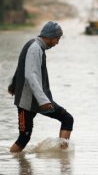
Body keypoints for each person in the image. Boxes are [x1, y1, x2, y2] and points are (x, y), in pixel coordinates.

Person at [8, 21, 74, 153]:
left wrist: (13, 84)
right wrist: (43, 101)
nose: (57, 43)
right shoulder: (35, 48)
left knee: (67, 119)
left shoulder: (34, 45)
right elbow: (30, 75)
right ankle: (10, 161)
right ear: (49, 36)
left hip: (36, 100)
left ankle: (62, 155)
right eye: (57, 39)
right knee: (23, 138)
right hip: (27, 101)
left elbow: (22, 67)